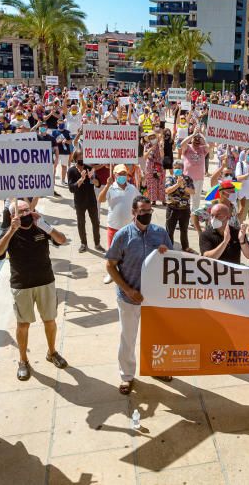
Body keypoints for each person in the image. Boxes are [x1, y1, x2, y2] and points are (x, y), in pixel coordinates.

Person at [0, 199, 70, 380]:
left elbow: (62, 240)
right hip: (22, 285)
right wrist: (11, 230)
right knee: (23, 324)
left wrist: (45, 225)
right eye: (21, 212)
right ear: (13, 216)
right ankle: (23, 360)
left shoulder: (40, 226)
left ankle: (52, 352)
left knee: (50, 320)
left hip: (45, 281)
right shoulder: (8, 232)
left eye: (28, 210)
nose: (26, 214)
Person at [106, 196, 171, 395]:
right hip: (129, 298)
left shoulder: (160, 233)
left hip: (154, 298)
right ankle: (126, 376)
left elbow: (172, 259)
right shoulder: (123, 236)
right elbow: (110, 265)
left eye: (149, 211)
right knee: (128, 337)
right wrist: (128, 290)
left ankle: (157, 368)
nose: (146, 215)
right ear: (133, 213)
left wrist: (166, 252)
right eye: (142, 211)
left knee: (156, 337)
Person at [99, 164, 140, 283]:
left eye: (124, 174)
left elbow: (140, 200)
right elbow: (100, 199)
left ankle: (125, 273)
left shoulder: (132, 188)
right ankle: (111, 274)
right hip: (113, 226)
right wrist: (107, 185)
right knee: (112, 253)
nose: (122, 176)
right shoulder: (111, 188)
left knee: (128, 252)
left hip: (129, 228)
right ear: (114, 175)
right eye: (120, 174)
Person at [67, 151, 102, 252]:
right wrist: (81, 179)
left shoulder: (89, 168)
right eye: (79, 157)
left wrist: (91, 177)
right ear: (75, 158)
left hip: (91, 200)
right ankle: (83, 244)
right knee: (81, 223)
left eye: (83, 157)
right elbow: (71, 188)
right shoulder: (71, 171)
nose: (82, 159)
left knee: (95, 222)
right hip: (80, 201)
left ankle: (97, 243)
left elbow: (98, 184)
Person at [164, 159, 195, 252]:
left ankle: (185, 246)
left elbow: (193, 191)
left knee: (184, 229)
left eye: (179, 168)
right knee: (170, 230)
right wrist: (177, 185)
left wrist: (183, 187)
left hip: (185, 209)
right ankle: (169, 247)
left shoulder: (188, 179)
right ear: (173, 168)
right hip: (172, 208)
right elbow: (167, 190)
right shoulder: (170, 178)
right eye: (175, 168)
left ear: (183, 169)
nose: (177, 169)